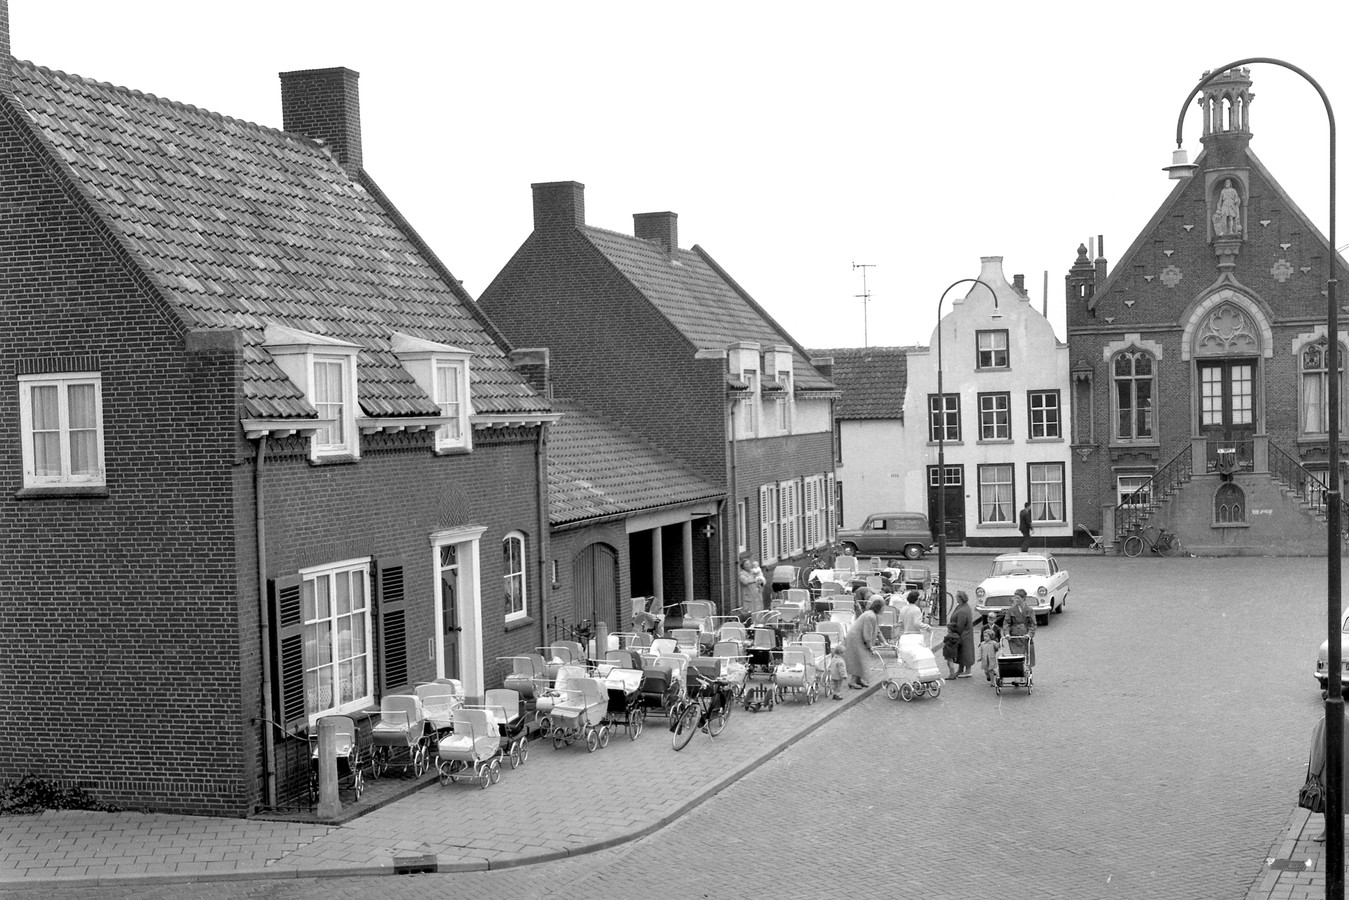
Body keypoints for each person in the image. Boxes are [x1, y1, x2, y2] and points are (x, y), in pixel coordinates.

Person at [1307, 712, 1349, 840]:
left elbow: (1320, 749)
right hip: (1345, 767)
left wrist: (1314, 771)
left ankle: (1329, 832)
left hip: (1329, 769)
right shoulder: (1346, 718)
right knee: (1342, 799)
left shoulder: (1325, 721)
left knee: (1328, 801)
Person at [843, 596, 884, 689]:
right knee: (859, 659)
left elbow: (877, 630)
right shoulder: (870, 616)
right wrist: (870, 646)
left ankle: (858, 679)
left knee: (862, 659)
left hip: (858, 638)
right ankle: (853, 681)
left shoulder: (872, 615)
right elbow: (867, 634)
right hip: (856, 638)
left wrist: (884, 642)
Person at [1003, 588, 1036, 668]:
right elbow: (1006, 623)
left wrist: (1029, 634)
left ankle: (1028, 673)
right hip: (1015, 637)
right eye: (1015, 597)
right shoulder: (1011, 610)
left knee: (1028, 657)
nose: (1016, 600)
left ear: (1023, 598)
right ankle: (1018, 673)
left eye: (1018, 598)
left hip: (1025, 637)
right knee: (1017, 658)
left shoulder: (1030, 610)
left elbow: (1033, 624)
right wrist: (1007, 633)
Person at [950, 590, 976, 678]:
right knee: (961, 652)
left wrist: (954, 632)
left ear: (960, 598)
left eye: (956, 596)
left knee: (966, 652)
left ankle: (968, 671)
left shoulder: (963, 611)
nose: (955, 597)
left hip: (964, 635)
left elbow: (960, 625)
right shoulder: (961, 607)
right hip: (963, 634)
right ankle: (960, 669)